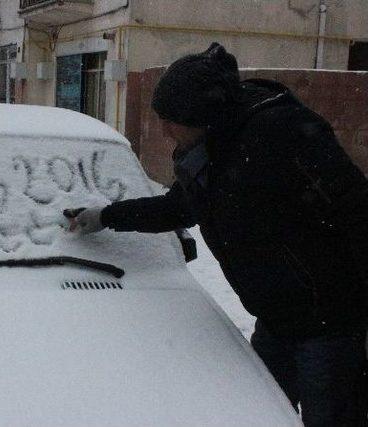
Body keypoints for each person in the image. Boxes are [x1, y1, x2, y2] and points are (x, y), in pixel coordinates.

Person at [65, 42, 368, 426]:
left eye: (170, 119)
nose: (163, 129)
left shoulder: (282, 136)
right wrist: (106, 216)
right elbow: (178, 208)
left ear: (200, 116)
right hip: (276, 321)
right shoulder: (208, 155)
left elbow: (357, 212)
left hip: (330, 324)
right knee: (258, 415)